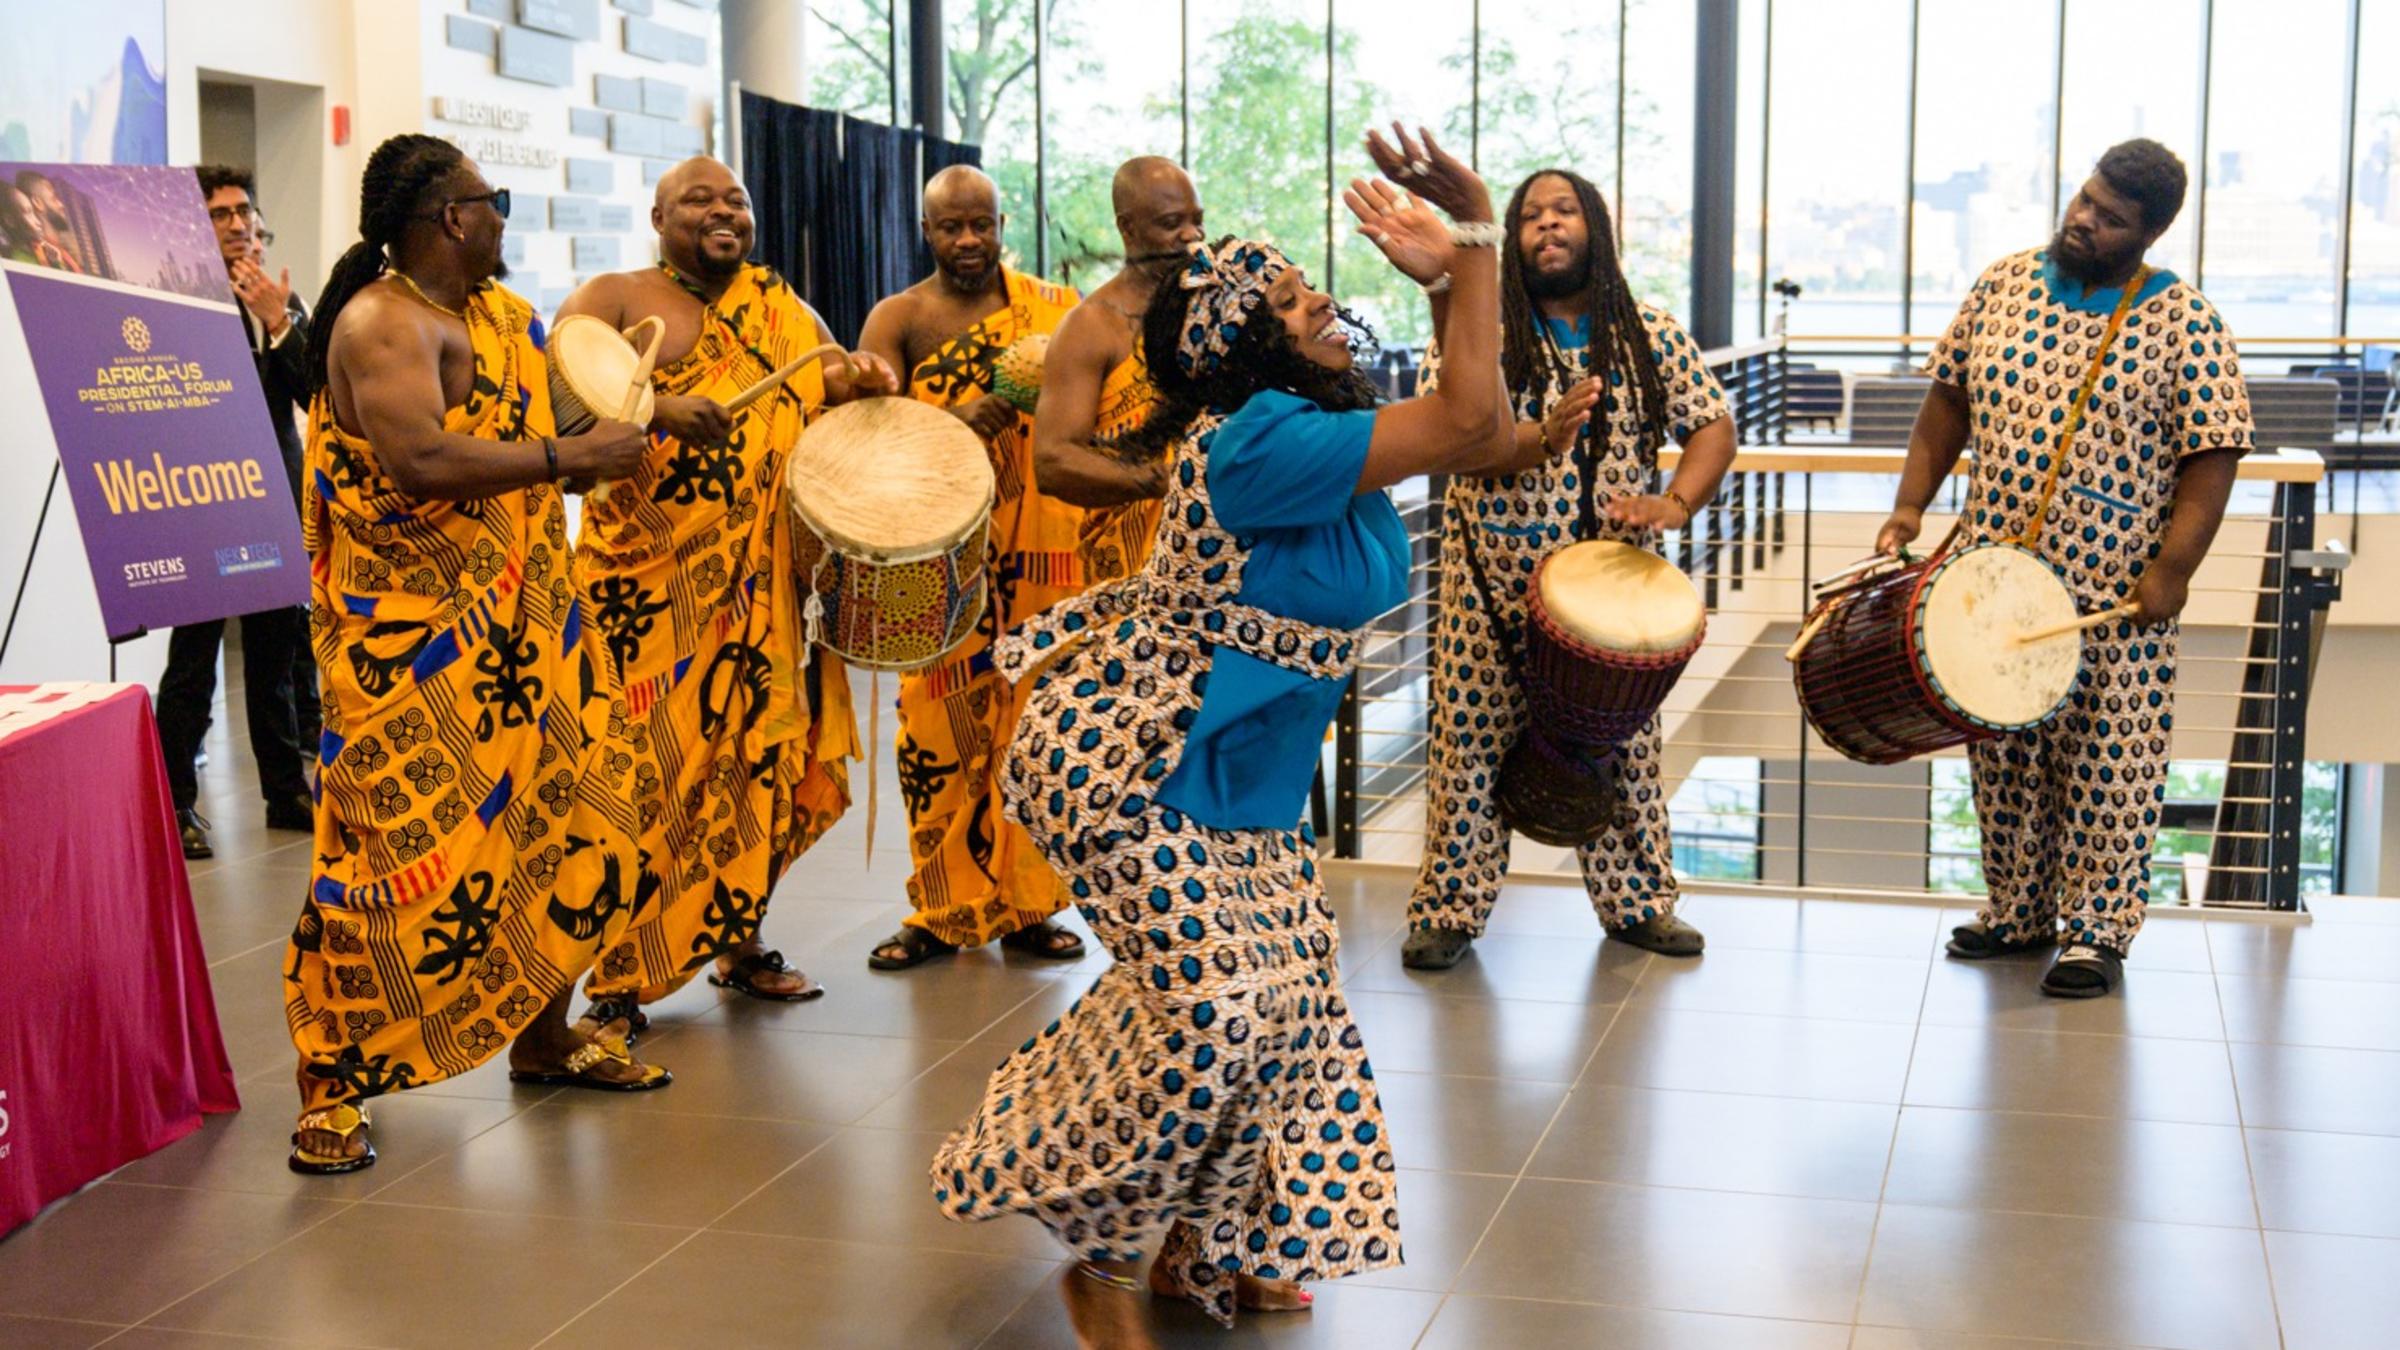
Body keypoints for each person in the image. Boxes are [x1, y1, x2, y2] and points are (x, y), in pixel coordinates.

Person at [931, 125, 1546, 1349]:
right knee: (1215, 1008)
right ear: (1252, 343)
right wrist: (1468, 240)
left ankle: (1219, 1239)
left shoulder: (1323, 429)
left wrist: (1471, 305)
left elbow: (1475, 429)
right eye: (1302, 300)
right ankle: (1104, 1261)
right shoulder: (1258, 441)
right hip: (1131, 764)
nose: (1327, 305)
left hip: (1245, 774)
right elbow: (1469, 412)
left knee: (1297, 1003)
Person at [283, 134, 671, 1175]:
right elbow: (420, 460)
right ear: (452, 218)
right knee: (389, 866)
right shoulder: (381, 323)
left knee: (563, 823)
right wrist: (571, 456)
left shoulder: (499, 318)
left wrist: (656, 415)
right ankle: (331, 1082)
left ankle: (544, 1041)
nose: (503, 214)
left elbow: (558, 420)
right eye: (489, 198)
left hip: (529, 630)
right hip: (407, 656)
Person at [1877, 139, 2252, 999]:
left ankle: (2096, 933)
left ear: (2150, 233)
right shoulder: (2003, 283)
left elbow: (2214, 454)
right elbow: (1948, 399)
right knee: (2003, 753)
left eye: (2111, 217)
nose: (2085, 221)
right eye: (2085, 200)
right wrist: (1910, 505)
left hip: (2113, 594)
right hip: (1994, 574)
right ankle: (2018, 911)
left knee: (2109, 763)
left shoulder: (2186, 320)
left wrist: (2174, 568)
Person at [557, 155, 892, 1024]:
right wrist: (659, 409)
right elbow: (551, 386)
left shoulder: (787, 314)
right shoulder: (618, 296)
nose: (723, 211)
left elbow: (831, 401)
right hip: (644, 600)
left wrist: (864, 383)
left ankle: (737, 939)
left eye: (736, 199)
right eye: (698, 198)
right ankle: (620, 976)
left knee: (754, 771)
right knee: (637, 784)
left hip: (762, 598)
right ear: (659, 216)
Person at [1402, 167, 1738, 970]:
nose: (1547, 226)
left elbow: (1714, 426)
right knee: (1468, 753)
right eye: (1529, 217)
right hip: (1490, 596)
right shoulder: (1477, 337)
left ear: (1597, 229)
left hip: (1611, 608)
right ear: (1511, 242)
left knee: (1622, 753)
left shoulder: (1647, 331)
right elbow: (1449, 434)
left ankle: (1639, 905)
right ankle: (1450, 910)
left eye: (1565, 211)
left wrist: (1675, 504)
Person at [854, 165, 1090, 970]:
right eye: (951, 227)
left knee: (1034, 725)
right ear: (927, 231)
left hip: (1041, 555)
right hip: (939, 557)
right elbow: (866, 430)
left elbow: (1097, 401)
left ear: (1000, 223)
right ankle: (940, 906)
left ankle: (1030, 903)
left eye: (980, 225)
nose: (967, 241)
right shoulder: (901, 316)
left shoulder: (1051, 313)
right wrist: (952, 422)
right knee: (935, 730)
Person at [151, 165, 318, 859]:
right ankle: (175, 804)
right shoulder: (174, 302)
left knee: (276, 659)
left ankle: (285, 794)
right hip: (201, 503)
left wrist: (278, 321)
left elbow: (317, 394)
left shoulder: (279, 298)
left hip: (273, 498)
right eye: (220, 213)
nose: (238, 223)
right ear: (195, 225)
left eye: (244, 209)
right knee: (194, 659)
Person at [1029, 156, 1208, 535]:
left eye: (1198, 220)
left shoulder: (1216, 308)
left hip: (1216, 556)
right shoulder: (1091, 325)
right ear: (1128, 229)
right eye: (1172, 223)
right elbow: (1053, 461)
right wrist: (1166, 481)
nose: (1192, 234)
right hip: (1127, 565)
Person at [11, 171, 86, 273]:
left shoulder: (65, 254)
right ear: (37, 203)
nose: (61, 205)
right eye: (54, 198)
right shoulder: (26, 256)